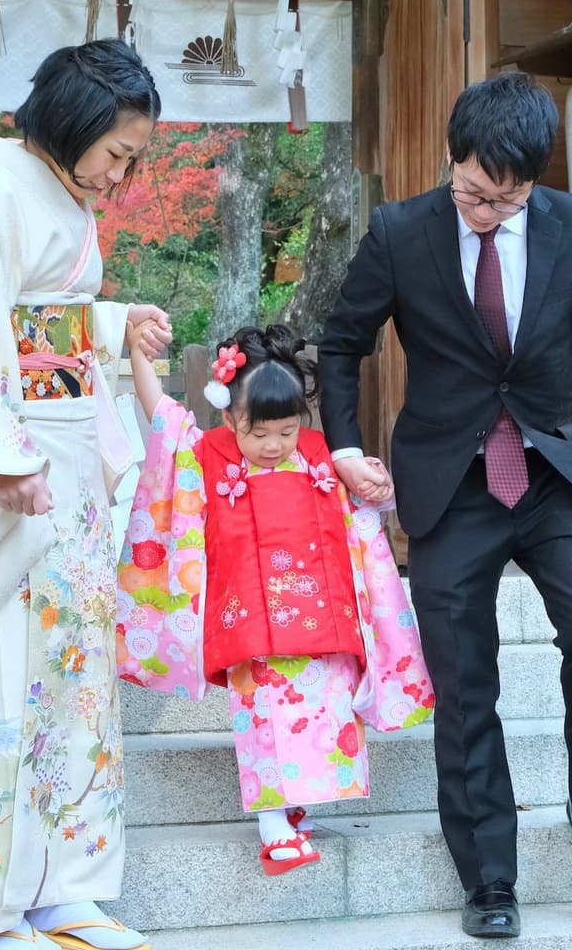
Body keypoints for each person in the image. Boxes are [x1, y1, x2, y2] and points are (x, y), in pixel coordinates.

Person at [318, 72, 572, 939]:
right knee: (463, 681)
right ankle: (489, 878)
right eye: (469, 190)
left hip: (557, 473)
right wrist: (345, 449)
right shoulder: (399, 232)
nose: (482, 210)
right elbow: (343, 345)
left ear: (533, 181)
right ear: (451, 160)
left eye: (502, 199)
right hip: (450, 483)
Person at [0, 39, 174, 950]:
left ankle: (71, 888)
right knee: (4, 680)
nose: (123, 173)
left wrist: (111, 323)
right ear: (72, 123)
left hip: (64, 465)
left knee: (76, 680)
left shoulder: (60, 201)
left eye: (133, 158)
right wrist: (3, 455)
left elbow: (42, 321)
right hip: (14, 468)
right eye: (120, 153)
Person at [115, 324, 435, 874]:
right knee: (264, 716)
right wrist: (136, 354)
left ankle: (294, 812)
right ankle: (270, 823)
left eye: (286, 432)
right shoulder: (207, 452)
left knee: (323, 710)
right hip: (251, 621)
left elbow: (356, 510)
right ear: (230, 416)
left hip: (322, 612)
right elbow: (163, 417)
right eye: (257, 432)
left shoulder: (315, 453)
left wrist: (374, 489)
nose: (273, 446)